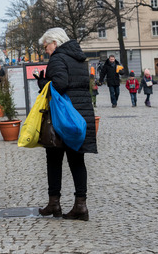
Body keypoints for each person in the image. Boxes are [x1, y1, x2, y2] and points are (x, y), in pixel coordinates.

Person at [35, 28, 97, 221]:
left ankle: (54, 203)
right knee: (77, 161)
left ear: (54, 42)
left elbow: (59, 85)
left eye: (46, 46)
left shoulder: (57, 58)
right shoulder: (79, 57)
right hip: (81, 115)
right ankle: (81, 206)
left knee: (53, 159)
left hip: (63, 119)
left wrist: (43, 82)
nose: (46, 50)